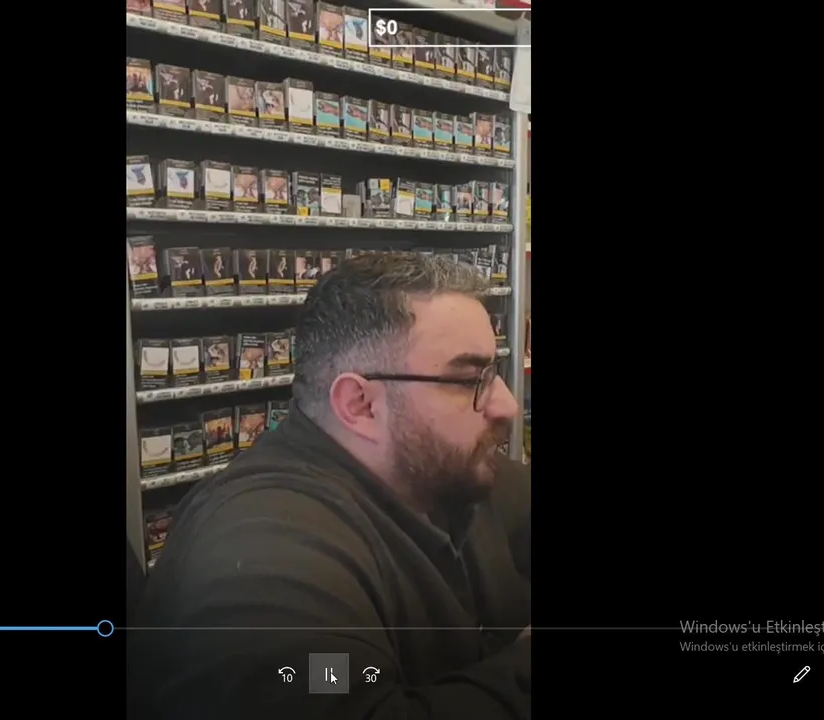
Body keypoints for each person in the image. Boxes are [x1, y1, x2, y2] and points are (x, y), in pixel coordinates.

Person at [128, 253, 531, 719]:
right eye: (468, 380)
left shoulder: (447, 470)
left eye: (493, 373)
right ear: (360, 404)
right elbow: (322, 690)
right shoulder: (260, 556)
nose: (506, 406)